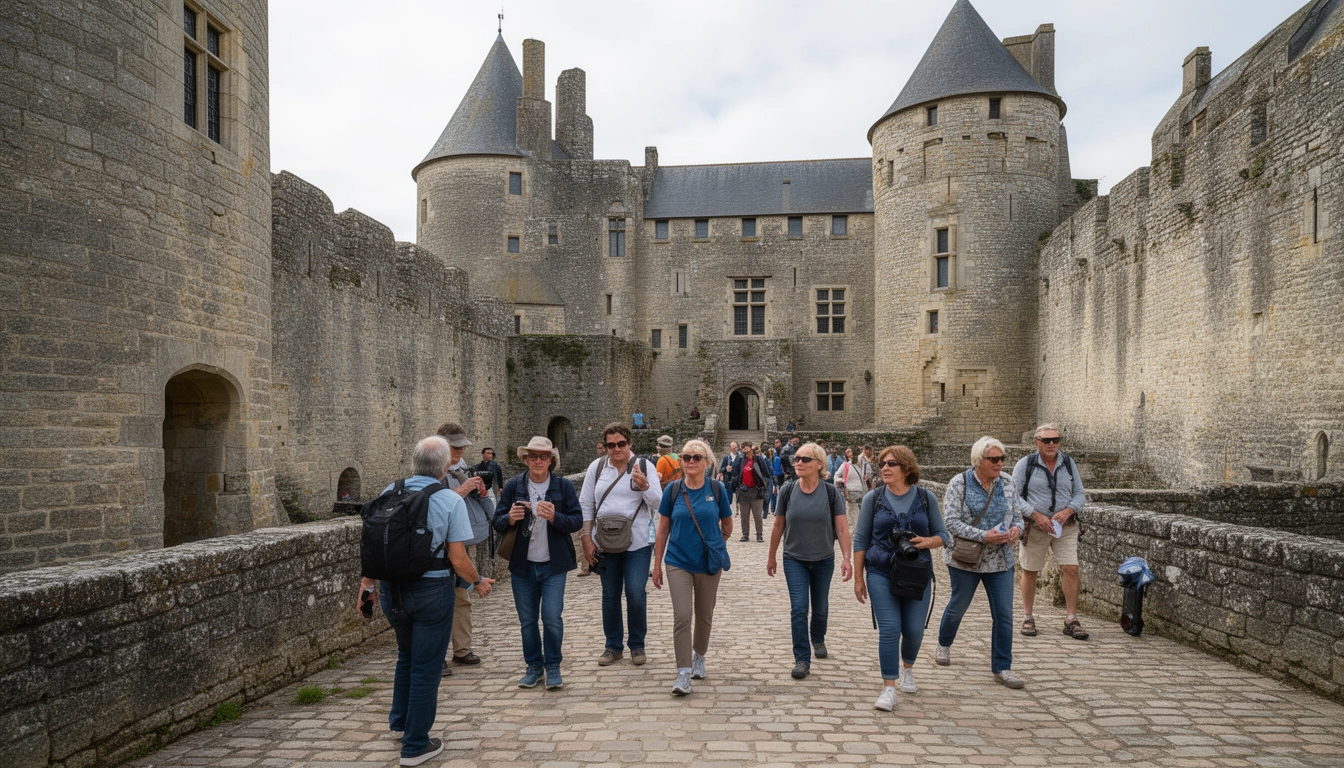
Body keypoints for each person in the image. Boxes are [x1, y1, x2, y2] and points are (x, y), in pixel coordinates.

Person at [357, 436, 495, 766]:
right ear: (447, 466)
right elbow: (458, 557)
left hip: (392, 590)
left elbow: (376, 541)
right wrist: (477, 582)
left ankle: (401, 723)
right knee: (427, 665)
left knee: (406, 655)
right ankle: (416, 744)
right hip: (431, 590)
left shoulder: (391, 489)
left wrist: (366, 587)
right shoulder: (449, 500)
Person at [853, 446, 949, 711]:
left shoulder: (926, 498)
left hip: (917, 573)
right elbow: (860, 539)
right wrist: (858, 578)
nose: (884, 467)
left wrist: (927, 541)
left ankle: (907, 667)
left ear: (906, 468)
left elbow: (944, 535)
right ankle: (888, 688)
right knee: (890, 628)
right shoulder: (874, 498)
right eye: (882, 463)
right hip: (880, 570)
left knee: (914, 630)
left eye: (891, 463)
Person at [935, 436, 1030, 689]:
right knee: (958, 606)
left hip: (1000, 560)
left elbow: (1018, 518)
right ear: (979, 461)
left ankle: (1002, 667)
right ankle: (944, 643)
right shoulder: (960, 483)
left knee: (1004, 615)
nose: (1000, 464)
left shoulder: (1008, 483)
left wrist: (1015, 531)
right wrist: (984, 536)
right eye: (994, 459)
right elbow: (951, 522)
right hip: (966, 558)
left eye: (1002, 459)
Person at [493, 437, 583, 690]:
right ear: (526, 459)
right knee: (528, 620)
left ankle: (553, 666)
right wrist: (509, 518)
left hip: (554, 564)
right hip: (523, 565)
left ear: (551, 460)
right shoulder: (514, 486)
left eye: (543, 456)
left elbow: (576, 520)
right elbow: (497, 521)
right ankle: (534, 667)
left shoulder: (562, 486)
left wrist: (556, 516)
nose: (538, 461)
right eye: (533, 456)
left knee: (552, 617)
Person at [651, 438, 733, 695]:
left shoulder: (717, 489)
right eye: (686, 457)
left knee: (705, 614)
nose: (691, 462)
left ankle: (700, 656)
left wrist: (715, 544)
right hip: (678, 561)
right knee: (682, 615)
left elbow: (727, 525)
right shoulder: (672, 490)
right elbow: (662, 529)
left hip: (708, 562)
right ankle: (683, 672)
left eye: (696, 457)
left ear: (706, 462)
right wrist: (656, 565)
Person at [580, 422, 663, 666]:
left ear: (630, 444)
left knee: (636, 592)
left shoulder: (645, 466)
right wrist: (586, 539)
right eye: (611, 445)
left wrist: (646, 487)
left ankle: (637, 645)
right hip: (605, 541)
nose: (616, 449)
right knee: (610, 594)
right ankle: (613, 646)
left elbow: (659, 504)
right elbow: (586, 505)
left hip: (637, 541)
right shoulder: (596, 469)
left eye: (621, 444)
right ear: (604, 447)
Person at [767, 441, 852, 679]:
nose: (798, 463)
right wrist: (771, 556)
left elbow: (842, 529)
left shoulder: (830, 493)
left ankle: (818, 637)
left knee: (821, 607)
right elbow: (778, 524)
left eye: (805, 459)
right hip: (794, 558)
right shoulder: (787, 490)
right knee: (799, 608)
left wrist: (847, 558)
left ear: (819, 464)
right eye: (797, 459)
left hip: (824, 558)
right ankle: (802, 659)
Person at [1013, 424, 1089, 640]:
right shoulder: (1025, 464)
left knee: (1070, 568)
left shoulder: (1068, 463)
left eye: (1056, 439)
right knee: (1030, 570)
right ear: (1036, 442)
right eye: (1046, 440)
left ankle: (1071, 618)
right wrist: (1036, 515)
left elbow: (1079, 494)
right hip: (1035, 526)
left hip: (1065, 526)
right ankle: (1028, 616)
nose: (1052, 444)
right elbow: (1014, 496)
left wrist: (1067, 511)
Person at [436, 422, 488, 672]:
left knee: (462, 596)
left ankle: (462, 649)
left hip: (462, 542)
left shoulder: (462, 470)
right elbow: (434, 507)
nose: (459, 451)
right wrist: (462, 490)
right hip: (437, 546)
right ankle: (437, 655)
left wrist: (484, 494)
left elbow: (489, 512)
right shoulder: (431, 473)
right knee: (438, 600)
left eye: (461, 447)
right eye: (454, 447)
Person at [576, 436, 610, 578]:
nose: (600, 451)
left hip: (605, 518)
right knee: (585, 537)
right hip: (593, 514)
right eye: (598, 448)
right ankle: (586, 566)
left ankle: (592, 564)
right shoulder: (596, 466)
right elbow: (586, 500)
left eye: (603, 448)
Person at [733, 443, 771, 542]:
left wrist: (764, 484)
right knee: (744, 516)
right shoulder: (740, 460)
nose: (744, 449)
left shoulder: (758, 460)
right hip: (744, 491)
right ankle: (745, 534)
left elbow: (766, 473)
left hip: (756, 491)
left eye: (746, 447)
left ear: (751, 449)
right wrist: (737, 484)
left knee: (757, 515)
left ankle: (759, 534)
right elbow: (735, 472)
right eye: (743, 447)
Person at [835, 448, 866, 519]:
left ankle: (853, 528)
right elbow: (836, 476)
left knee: (853, 512)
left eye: (850, 452)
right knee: (854, 512)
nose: (849, 454)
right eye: (847, 453)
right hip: (851, 492)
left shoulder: (861, 466)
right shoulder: (846, 465)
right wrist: (842, 484)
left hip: (858, 492)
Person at [770, 447, 784, 513]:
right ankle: (774, 508)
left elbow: (776, 469)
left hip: (776, 476)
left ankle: (774, 508)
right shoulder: (773, 458)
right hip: (776, 476)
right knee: (774, 492)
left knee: (775, 492)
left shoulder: (776, 459)